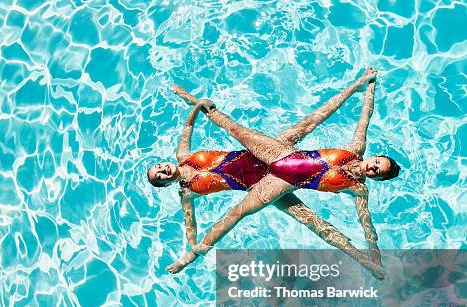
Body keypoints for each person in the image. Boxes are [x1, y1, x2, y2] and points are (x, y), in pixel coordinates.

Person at [147, 68, 400, 277]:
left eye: (377, 171)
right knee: (306, 122)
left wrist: (374, 251)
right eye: (377, 162)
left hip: (280, 176)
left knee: (315, 224)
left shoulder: (358, 188)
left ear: (377, 178)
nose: (373, 166)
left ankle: (367, 263)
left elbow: (367, 225)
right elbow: (364, 118)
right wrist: (366, 86)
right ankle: (194, 255)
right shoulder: (356, 149)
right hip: (273, 163)